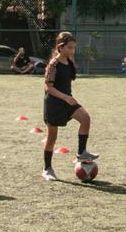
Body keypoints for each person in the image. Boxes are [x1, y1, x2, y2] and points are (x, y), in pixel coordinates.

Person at [41, 31, 98, 182]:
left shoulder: (69, 62)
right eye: (69, 48)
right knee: (52, 138)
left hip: (67, 102)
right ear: (60, 47)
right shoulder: (53, 64)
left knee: (85, 118)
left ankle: (81, 153)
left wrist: (68, 98)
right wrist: (65, 97)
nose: (72, 51)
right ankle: (47, 169)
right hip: (54, 104)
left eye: (73, 48)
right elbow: (48, 87)